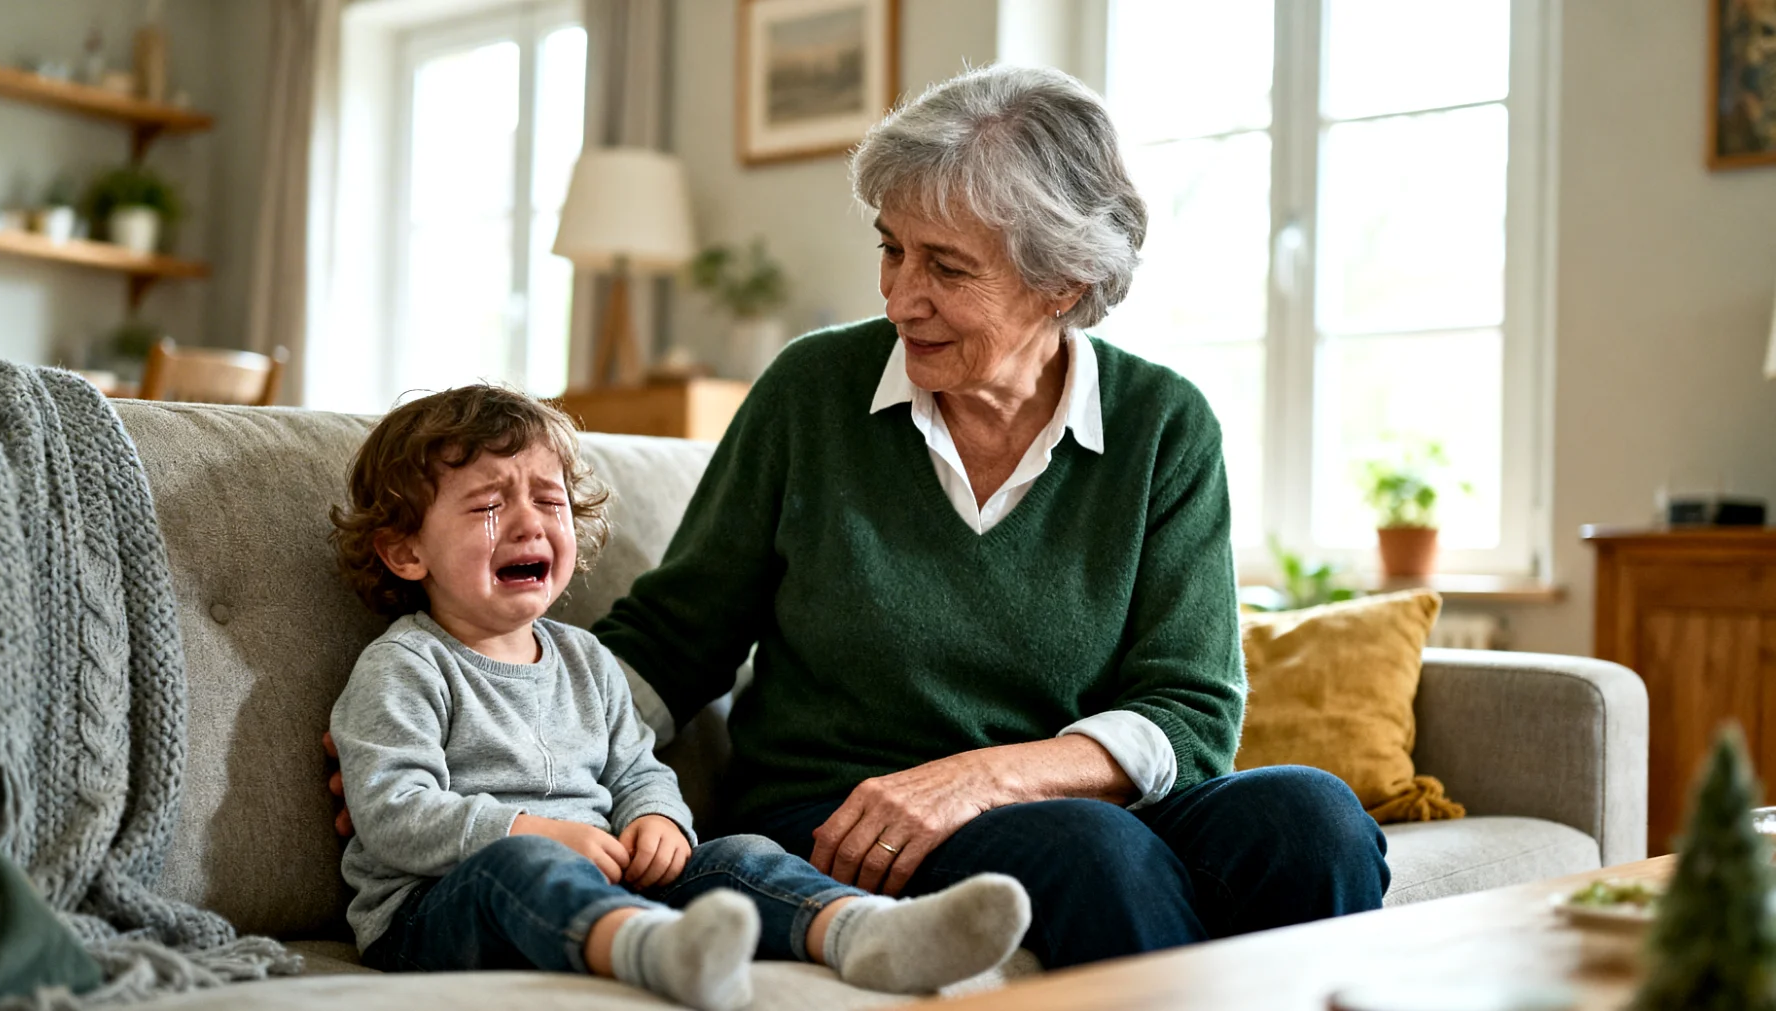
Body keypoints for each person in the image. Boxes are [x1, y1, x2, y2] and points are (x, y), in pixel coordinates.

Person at [586, 64, 1391, 969]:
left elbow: (1193, 711)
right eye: (892, 249)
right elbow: (673, 636)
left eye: (946, 267)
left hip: (1066, 800)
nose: (898, 298)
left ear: (1063, 279)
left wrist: (983, 779)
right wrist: (509, 743)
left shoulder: (1162, 423)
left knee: (1311, 819)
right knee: (1091, 849)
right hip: (848, 817)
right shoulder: (812, 393)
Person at [325, 385, 1031, 1011]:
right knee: (524, 869)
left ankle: (868, 931)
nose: (529, 522)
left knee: (738, 852)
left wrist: (656, 817)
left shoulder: (587, 659)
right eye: (487, 504)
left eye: (549, 498)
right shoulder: (405, 665)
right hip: (438, 908)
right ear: (405, 552)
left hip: (607, 880)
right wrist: (529, 831)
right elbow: (392, 810)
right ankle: (658, 953)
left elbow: (637, 769)